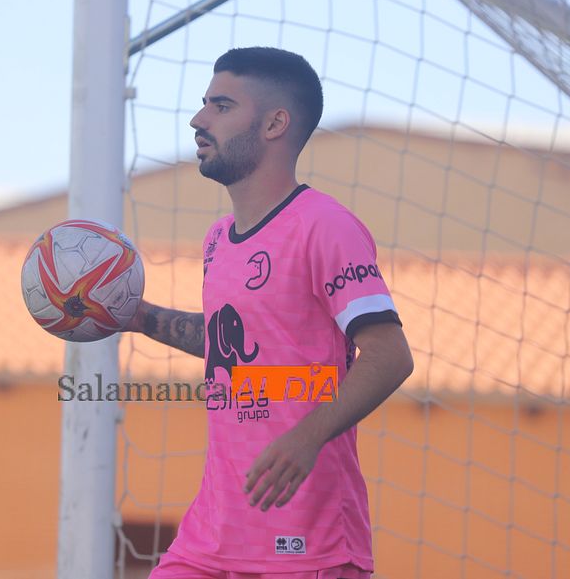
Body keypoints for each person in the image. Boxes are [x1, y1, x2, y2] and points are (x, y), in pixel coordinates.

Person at [126, 47, 414, 579]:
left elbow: (390, 355)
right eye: (204, 104)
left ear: (275, 123)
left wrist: (306, 437)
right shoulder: (217, 240)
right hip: (214, 534)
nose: (198, 119)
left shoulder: (324, 225)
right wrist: (138, 317)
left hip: (310, 540)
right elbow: (231, 345)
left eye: (222, 105)